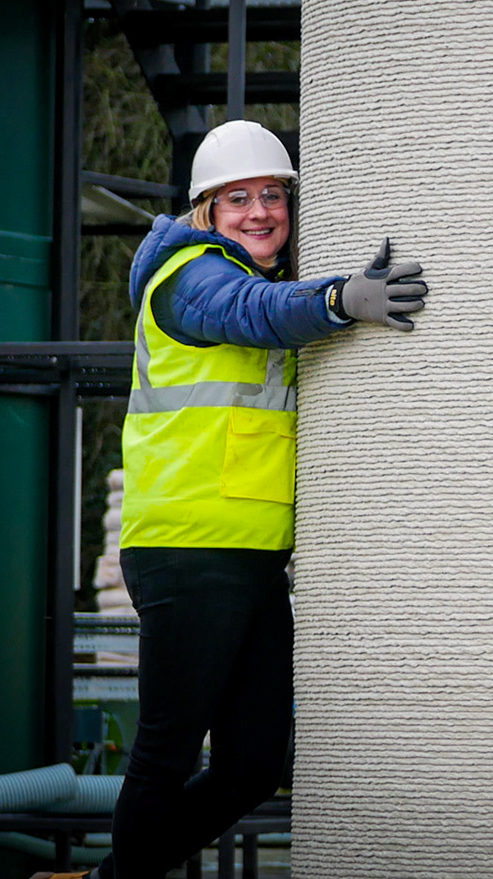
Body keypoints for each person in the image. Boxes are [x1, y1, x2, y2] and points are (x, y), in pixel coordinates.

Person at [32, 120, 429, 879]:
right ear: (205, 211)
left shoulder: (254, 276)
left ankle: (108, 878)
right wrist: (345, 297)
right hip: (188, 549)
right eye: (237, 198)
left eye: (272, 195)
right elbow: (250, 313)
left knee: (252, 762)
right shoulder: (190, 276)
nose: (259, 211)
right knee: (166, 753)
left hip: (250, 556)